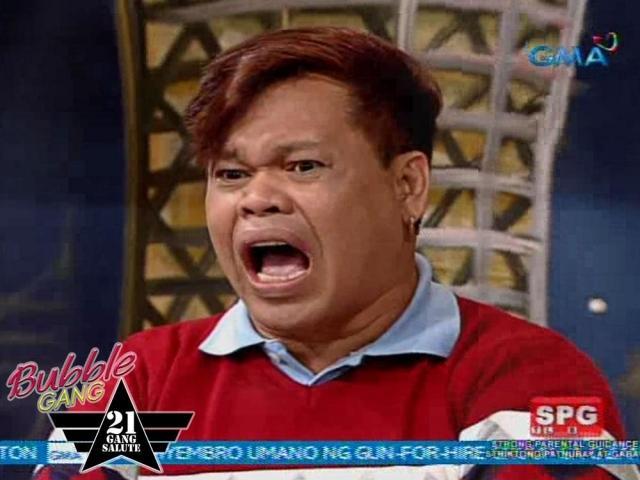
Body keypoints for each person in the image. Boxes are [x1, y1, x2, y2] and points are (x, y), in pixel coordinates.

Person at [35, 27, 638, 480]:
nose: (257, 199)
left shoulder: (532, 378)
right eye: (231, 174)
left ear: (408, 185)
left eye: (303, 166)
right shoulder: (139, 378)